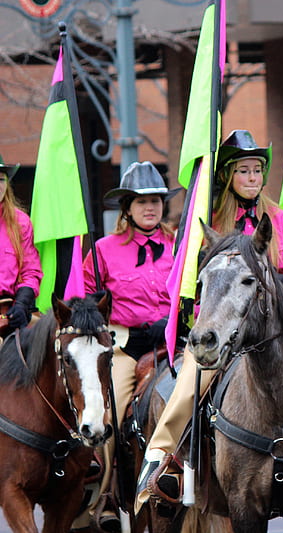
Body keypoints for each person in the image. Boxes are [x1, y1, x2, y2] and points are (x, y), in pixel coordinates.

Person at [135, 129, 283, 510]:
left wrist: (268, 279)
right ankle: (165, 463)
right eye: (244, 170)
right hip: (223, 326)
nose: (253, 178)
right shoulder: (208, 221)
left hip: (282, 326)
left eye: (258, 170)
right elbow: (187, 277)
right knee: (188, 384)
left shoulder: (281, 221)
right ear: (228, 175)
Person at [77, 161, 179, 531]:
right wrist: (106, 325)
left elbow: (194, 295)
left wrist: (171, 323)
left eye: (155, 200)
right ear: (127, 208)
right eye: (140, 202)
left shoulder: (180, 245)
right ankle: (104, 495)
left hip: (173, 346)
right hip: (125, 348)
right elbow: (83, 306)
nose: (150, 208)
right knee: (110, 415)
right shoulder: (103, 251)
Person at [0, 154, 42, 340]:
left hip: (9, 312)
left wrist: (22, 304)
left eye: (1, 179)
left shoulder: (21, 222)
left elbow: (31, 271)